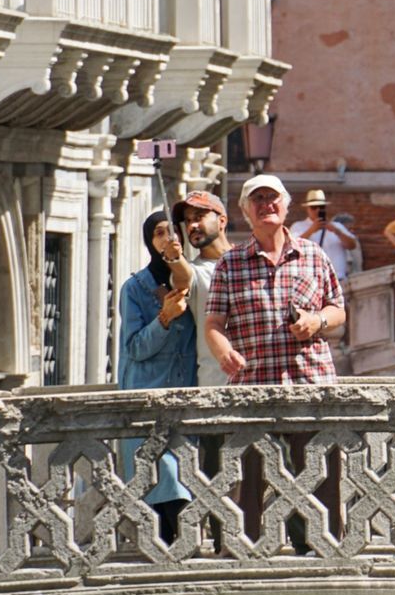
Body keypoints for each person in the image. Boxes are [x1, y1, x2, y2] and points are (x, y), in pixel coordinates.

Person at [204, 174, 346, 385]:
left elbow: (338, 310)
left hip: (312, 382)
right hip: (253, 386)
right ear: (245, 211)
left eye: (273, 197)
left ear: (286, 206)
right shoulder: (230, 263)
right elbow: (213, 323)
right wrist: (224, 352)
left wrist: (316, 321)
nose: (266, 204)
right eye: (257, 199)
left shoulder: (313, 254)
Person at [117, 210, 197, 543]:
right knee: (162, 477)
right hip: (147, 396)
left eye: (173, 232)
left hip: (188, 397)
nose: (169, 238)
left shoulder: (195, 281)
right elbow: (134, 347)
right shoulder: (134, 289)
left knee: (187, 478)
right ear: (151, 242)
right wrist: (163, 319)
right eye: (160, 233)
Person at [171, 190, 232, 387]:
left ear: (222, 221)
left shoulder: (249, 263)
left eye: (199, 217)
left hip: (259, 379)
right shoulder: (194, 271)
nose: (192, 226)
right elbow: (182, 280)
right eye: (187, 221)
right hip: (216, 383)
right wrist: (174, 258)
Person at [291, 189, 361, 282]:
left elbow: (352, 245)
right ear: (307, 208)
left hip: (337, 279)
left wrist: (337, 231)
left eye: (321, 207)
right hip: (311, 281)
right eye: (314, 207)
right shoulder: (298, 226)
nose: (318, 210)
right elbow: (292, 246)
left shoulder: (336, 226)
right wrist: (311, 230)